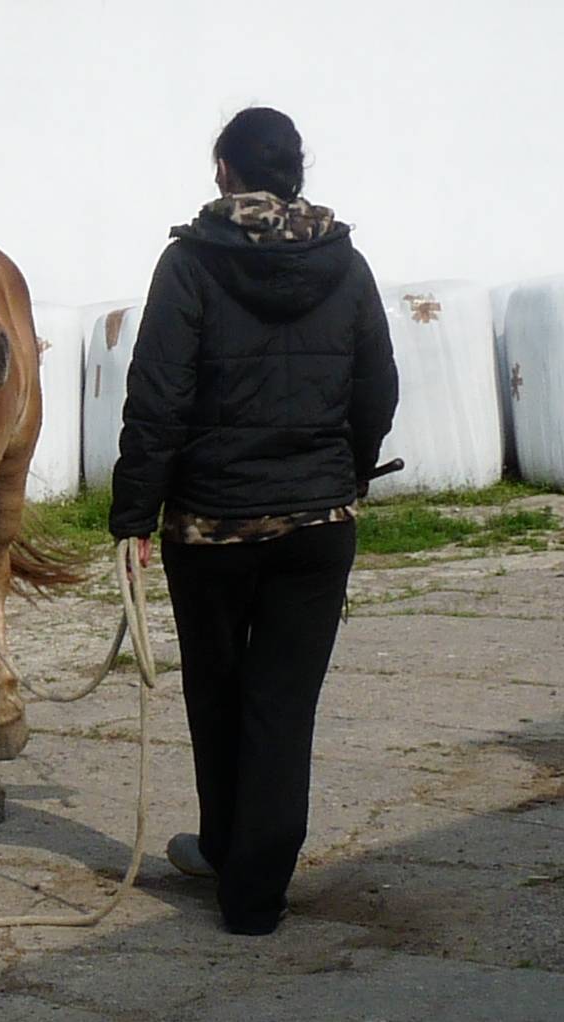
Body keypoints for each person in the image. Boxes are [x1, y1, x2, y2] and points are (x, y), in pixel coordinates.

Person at [108, 106, 398, 935]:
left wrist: (133, 512)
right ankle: (249, 875)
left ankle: (237, 862)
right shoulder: (346, 263)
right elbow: (377, 388)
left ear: (229, 174)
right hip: (318, 524)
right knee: (282, 702)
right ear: (295, 173)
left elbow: (155, 398)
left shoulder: (189, 265)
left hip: (210, 528)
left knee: (220, 691)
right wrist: (348, 470)